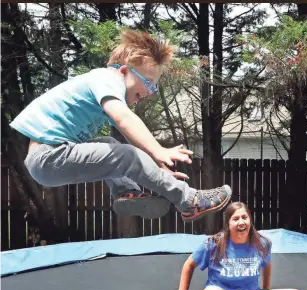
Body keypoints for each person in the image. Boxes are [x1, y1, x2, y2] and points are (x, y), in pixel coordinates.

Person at [8, 29, 231, 222]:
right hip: (48, 158)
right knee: (123, 154)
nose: (148, 93)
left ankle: (125, 192)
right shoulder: (105, 78)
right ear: (124, 70)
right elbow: (124, 120)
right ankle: (189, 200)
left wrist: (158, 169)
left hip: (50, 160)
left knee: (110, 144)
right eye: (147, 83)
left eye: (153, 88)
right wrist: (159, 150)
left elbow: (129, 139)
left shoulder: (105, 86)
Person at [170, 202, 306, 290]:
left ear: (250, 221)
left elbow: (267, 265)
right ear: (228, 224)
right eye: (235, 219)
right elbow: (189, 264)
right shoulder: (214, 243)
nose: (241, 222)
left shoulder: (262, 243)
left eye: (244, 217)